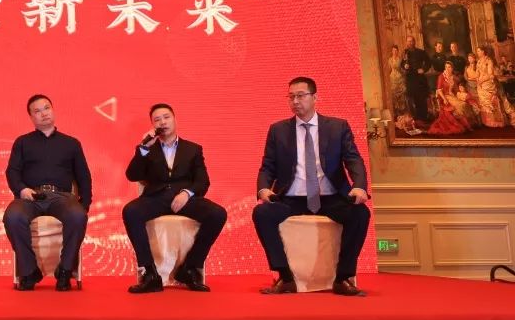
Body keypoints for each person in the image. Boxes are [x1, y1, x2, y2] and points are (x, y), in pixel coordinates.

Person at [252, 77, 370, 297]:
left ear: (315, 97)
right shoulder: (278, 130)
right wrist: (263, 189)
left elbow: (353, 159)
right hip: (292, 198)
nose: (295, 101)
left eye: (300, 96)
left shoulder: (337, 127)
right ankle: (285, 277)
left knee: (360, 213)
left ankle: (343, 278)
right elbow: (267, 166)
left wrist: (360, 186)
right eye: (291, 97)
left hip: (330, 197)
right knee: (262, 213)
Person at [122, 103, 227, 293]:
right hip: (156, 198)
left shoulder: (193, 149)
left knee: (218, 214)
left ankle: (189, 268)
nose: (163, 122)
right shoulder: (148, 149)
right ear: (153, 126)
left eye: (166, 117)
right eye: (157, 120)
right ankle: (150, 273)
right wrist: (143, 150)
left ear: (175, 120)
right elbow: (132, 175)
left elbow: (202, 181)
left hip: (185, 199)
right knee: (130, 211)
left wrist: (187, 193)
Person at [3, 94, 92, 291]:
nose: (44, 113)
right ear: (31, 117)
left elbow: (84, 176)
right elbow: (12, 172)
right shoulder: (22, 142)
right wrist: (21, 190)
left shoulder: (71, 143)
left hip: (62, 197)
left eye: (47, 108)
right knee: (12, 216)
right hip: (30, 197)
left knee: (78, 216)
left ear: (53, 110)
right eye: (37, 111)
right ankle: (29, 271)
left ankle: (65, 270)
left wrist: (84, 204)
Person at [427, 61, 475, 134]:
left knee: (464, 103)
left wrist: (461, 94)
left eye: (449, 67)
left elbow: (456, 89)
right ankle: (461, 125)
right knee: (460, 105)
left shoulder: (453, 77)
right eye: (446, 67)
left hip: (452, 95)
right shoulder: (441, 76)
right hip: (444, 96)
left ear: (452, 68)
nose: (447, 68)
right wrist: (444, 99)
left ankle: (467, 125)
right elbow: (439, 90)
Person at [473, 47, 515, 127]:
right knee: (484, 102)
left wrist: (482, 80)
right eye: (477, 51)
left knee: (492, 100)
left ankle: (498, 121)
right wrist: (478, 80)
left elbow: (490, 74)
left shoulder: (489, 61)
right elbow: (477, 73)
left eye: (479, 51)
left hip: (488, 82)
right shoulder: (479, 61)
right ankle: (488, 121)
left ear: (483, 51)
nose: (477, 53)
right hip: (481, 84)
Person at [401, 36, 430, 122]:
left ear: (414, 42)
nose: (410, 43)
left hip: (419, 79)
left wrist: (423, 69)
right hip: (410, 79)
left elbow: (428, 62)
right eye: (408, 41)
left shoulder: (421, 52)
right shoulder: (405, 52)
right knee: (412, 99)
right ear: (406, 43)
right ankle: (416, 119)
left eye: (411, 41)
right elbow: (402, 64)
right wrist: (404, 66)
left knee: (421, 98)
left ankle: (424, 118)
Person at [387, 44, 407, 114]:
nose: (394, 52)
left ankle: (402, 111)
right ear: (392, 51)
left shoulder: (400, 59)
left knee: (402, 95)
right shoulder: (390, 60)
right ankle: (396, 111)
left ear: (398, 51)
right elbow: (389, 70)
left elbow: (402, 69)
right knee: (394, 95)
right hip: (393, 78)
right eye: (393, 50)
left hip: (400, 78)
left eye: (396, 50)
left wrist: (403, 72)